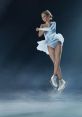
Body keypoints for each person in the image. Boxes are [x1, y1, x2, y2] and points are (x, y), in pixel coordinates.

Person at [36, 10, 66, 91]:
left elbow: (49, 29)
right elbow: (39, 35)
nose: (44, 18)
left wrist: (39, 28)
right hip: (49, 44)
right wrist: (40, 28)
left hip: (57, 42)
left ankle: (53, 77)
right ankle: (61, 81)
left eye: (45, 16)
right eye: (42, 17)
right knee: (55, 62)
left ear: (49, 16)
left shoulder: (53, 23)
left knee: (57, 61)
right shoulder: (42, 25)